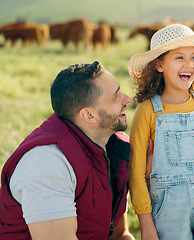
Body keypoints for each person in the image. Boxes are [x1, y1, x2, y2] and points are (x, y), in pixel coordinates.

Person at [0, 61, 135, 240]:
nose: (127, 99)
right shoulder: (47, 164)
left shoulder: (112, 147)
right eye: (115, 96)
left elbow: (119, 235)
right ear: (89, 115)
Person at [127, 24, 194, 240]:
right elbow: (136, 173)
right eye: (179, 57)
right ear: (159, 65)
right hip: (167, 211)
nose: (189, 64)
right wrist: (146, 225)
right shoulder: (147, 111)